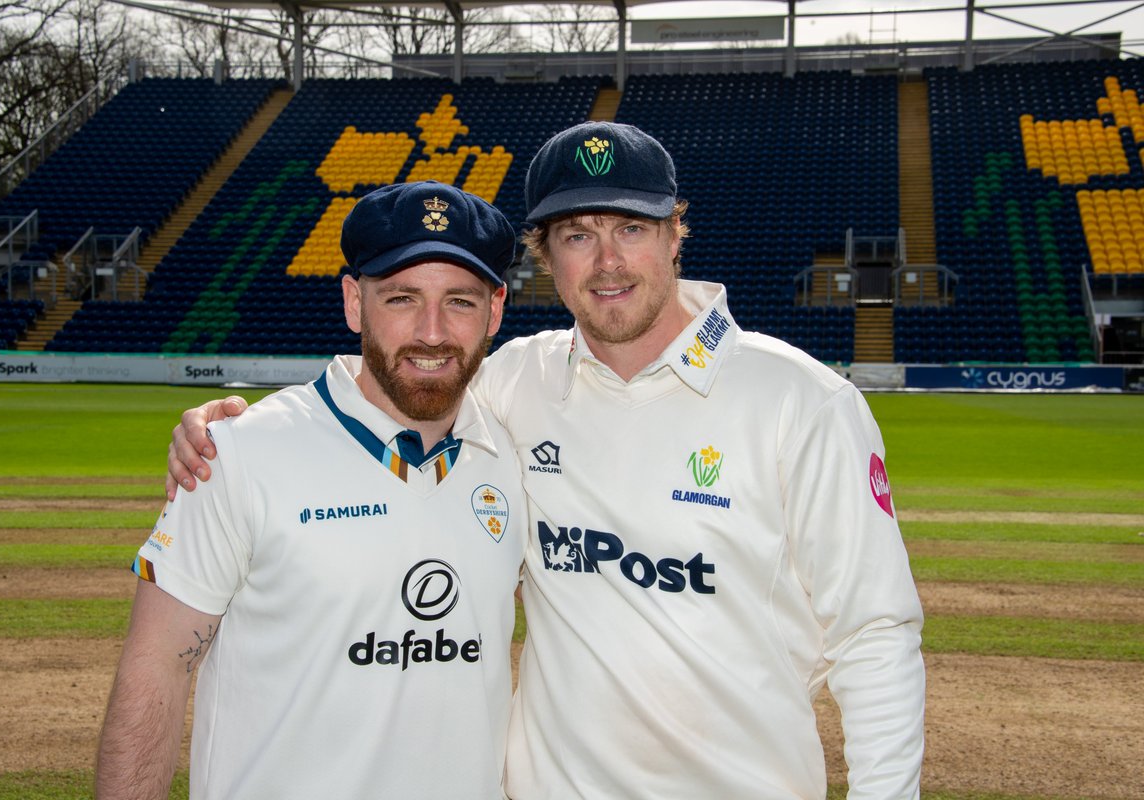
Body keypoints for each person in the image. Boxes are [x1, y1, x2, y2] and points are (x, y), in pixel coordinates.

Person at [168, 123, 926, 799]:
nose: (606, 261)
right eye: (575, 235)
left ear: (674, 235)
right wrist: (235, 431)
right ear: (545, 259)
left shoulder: (802, 401)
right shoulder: (512, 385)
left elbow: (874, 633)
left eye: (631, 227)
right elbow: (395, 385)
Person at [97, 181, 528, 800]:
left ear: (495, 309)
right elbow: (156, 669)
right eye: (402, 298)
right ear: (355, 302)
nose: (431, 332)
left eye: (459, 301)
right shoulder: (239, 452)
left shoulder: (511, 460)